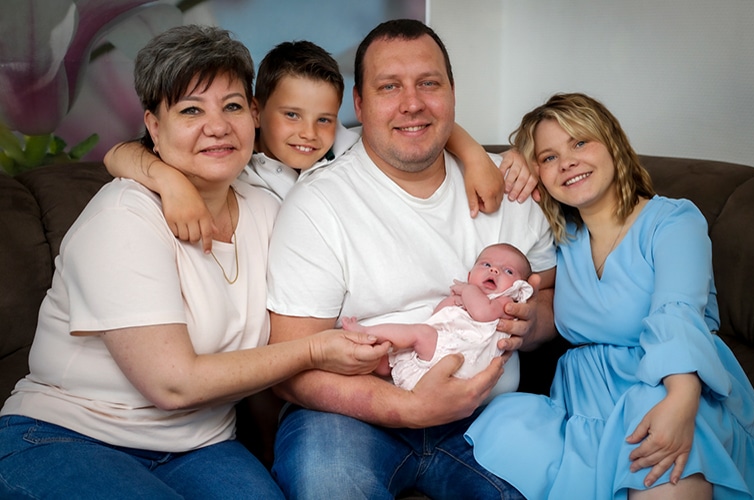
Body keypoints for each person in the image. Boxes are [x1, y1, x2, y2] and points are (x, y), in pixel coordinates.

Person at [0, 25, 391, 499]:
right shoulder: (124, 216)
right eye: (190, 109)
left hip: (202, 445)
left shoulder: (270, 208)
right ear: (154, 127)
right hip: (71, 435)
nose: (218, 126)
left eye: (231, 106)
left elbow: (399, 132)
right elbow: (173, 384)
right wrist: (315, 349)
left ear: (253, 115)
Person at [266, 19, 557, 499]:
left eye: (428, 83)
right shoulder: (319, 205)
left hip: (489, 418)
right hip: (352, 418)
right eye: (389, 87)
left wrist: (532, 323)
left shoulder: (511, 190)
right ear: (359, 104)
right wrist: (408, 408)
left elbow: (547, 295)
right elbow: (291, 367)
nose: (413, 103)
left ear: (452, 93)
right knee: (329, 486)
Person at [465, 93, 754, 499]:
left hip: (666, 382)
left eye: (580, 142)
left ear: (613, 143)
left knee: (661, 468)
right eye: (549, 157)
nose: (567, 161)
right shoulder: (560, 238)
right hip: (582, 405)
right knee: (504, 430)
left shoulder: (673, 220)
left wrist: (681, 398)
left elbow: (678, 311)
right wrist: (515, 155)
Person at [104, 40, 537, 253]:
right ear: (255, 112)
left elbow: (419, 126)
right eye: (291, 115)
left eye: (324, 119)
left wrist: (478, 156)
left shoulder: (347, 145)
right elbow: (119, 154)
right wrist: (168, 182)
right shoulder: (237, 161)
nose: (309, 133)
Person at [342, 243, 534, 391]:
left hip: (460, 361)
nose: (494, 270)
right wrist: (457, 300)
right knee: (390, 360)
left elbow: (482, 313)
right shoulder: (463, 298)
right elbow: (439, 318)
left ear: (519, 286)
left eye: (508, 271)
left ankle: (367, 333)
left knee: (419, 333)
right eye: (486, 264)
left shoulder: (504, 302)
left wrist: (468, 292)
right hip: (438, 357)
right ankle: (370, 362)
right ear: (470, 274)